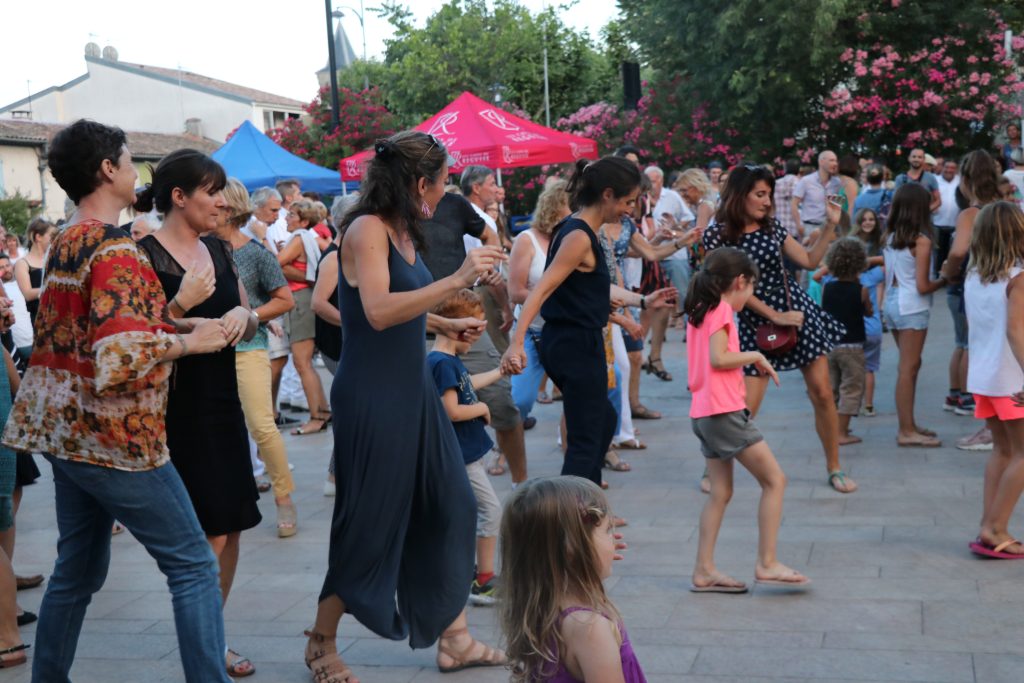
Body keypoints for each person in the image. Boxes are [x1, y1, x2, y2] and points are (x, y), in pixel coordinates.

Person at [1, 119, 233, 681]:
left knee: (77, 572)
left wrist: (175, 319)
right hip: (116, 438)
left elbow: (97, 334)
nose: (137, 173)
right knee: (195, 566)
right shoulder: (113, 248)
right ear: (107, 170)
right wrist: (197, 336)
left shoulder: (66, 241)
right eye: (131, 162)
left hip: (65, 433)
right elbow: (120, 353)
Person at [307, 131, 506, 680]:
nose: (445, 195)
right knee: (369, 525)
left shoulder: (402, 230)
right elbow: (374, 310)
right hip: (374, 394)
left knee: (454, 507)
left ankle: (456, 639)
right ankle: (321, 642)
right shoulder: (367, 229)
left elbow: (400, 307)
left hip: (412, 388)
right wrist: (458, 279)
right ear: (421, 182)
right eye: (442, 184)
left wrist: (443, 321)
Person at [136, 149, 263, 677]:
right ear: (179, 197)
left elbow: (248, 320)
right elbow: (135, 339)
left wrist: (243, 314)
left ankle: (214, 635)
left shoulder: (218, 246)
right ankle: (206, 649)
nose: (221, 201)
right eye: (211, 191)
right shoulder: (140, 253)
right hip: (174, 410)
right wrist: (182, 304)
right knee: (207, 534)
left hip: (221, 401)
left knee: (230, 527)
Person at [501, 157, 675, 486]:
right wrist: (515, 342)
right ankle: (579, 518)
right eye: (628, 201)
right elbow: (540, 292)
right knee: (586, 435)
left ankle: (587, 511)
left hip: (576, 340)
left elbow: (590, 288)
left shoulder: (581, 230)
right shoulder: (579, 236)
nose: (630, 210)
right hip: (573, 345)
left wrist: (641, 300)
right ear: (607, 194)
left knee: (604, 418)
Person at [703, 165, 857, 494]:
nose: (767, 201)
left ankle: (834, 466)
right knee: (743, 406)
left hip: (794, 315)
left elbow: (810, 260)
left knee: (823, 393)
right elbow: (726, 289)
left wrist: (831, 224)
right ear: (739, 195)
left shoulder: (772, 228)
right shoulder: (717, 235)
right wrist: (774, 314)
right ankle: (714, 468)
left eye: (769, 194)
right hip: (748, 321)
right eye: (760, 194)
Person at [683, 247, 809, 593]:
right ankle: (767, 562)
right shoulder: (721, 309)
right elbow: (719, 357)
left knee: (720, 492)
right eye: (751, 287)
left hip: (705, 411)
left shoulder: (700, 309)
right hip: (723, 412)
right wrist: (756, 355)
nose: (750, 295)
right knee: (775, 480)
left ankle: (704, 570)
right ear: (739, 281)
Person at [421, 178, 529, 484]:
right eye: (441, 178)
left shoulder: (455, 206)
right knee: (421, 414)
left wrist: (488, 265)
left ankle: (521, 488)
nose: (445, 183)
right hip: (416, 325)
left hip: (464, 321)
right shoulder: (392, 212)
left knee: (503, 406)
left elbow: (488, 233)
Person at [214, 178, 299, 539]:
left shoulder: (255, 253)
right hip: (207, 351)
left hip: (248, 349)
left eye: (216, 201)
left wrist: (252, 316)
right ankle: (231, 496)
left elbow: (285, 299)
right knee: (219, 429)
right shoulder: (196, 249)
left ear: (229, 208)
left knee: (261, 426)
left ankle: (284, 497)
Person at [499, 476, 647, 682]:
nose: (614, 540)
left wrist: (595, 558)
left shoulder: (542, 609)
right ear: (574, 550)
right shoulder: (590, 628)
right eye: (607, 531)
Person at [428, 289, 506, 606]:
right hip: (461, 456)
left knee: (467, 513)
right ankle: (484, 580)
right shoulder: (442, 364)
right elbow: (452, 410)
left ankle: (465, 571)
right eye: (473, 333)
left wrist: (500, 372)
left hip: (463, 454)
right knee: (491, 510)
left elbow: (466, 386)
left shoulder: (447, 360)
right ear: (457, 327)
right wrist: (483, 411)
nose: (474, 341)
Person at [962, 202, 1024, 558]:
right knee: (1022, 453)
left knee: (1002, 451)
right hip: (1012, 378)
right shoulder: (1018, 279)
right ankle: (996, 527)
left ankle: (989, 525)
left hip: (985, 376)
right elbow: (1016, 333)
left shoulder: (975, 277)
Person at [942, 150, 1005, 450]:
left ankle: (990, 429)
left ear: (966, 180)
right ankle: (999, 425)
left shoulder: (971, 213)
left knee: (978, 352)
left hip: (979, 290)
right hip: (1007, 289)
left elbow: (957, 252)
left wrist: (947, 272)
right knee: (1000, 353)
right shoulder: (1008, 209)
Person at [882, 183, 948, 448]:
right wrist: (944, 278)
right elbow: (923, 285)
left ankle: (909, 423)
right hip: (913, 306)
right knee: (908, 369)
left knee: (909, 366)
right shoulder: (921, 240)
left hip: (892, 302)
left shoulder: (890, 235)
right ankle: (906, 430)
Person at [507, 179, 570, 429]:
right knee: (520, 401)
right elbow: (515, 291)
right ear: (555, 207)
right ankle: (503, 450)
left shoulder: (572, 238)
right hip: (532, 333)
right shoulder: (527, 240)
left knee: (586, 394)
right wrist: (553, 297)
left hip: (565, 332)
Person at [276, 199, 331, 435]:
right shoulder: (304, 237)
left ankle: (316, 417)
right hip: (303, 300)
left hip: (300, 302)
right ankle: (322, 412)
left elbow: (275, 264)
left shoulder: (299, 237)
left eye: (291, 215)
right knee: (305, 363)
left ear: (304, 221)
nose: (286, 219)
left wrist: (279, 258)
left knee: (302, 362)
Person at [821, 238, 871, 445]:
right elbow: (868, 311)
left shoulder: (828, 288)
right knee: (851, 387)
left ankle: (831, 430)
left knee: (832, 388)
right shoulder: (861, 290)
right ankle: (842, 432)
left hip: (830, 345)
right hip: (852, 345)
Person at [849, 209, 885, 417]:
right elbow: (889, 266)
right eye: (865, 219)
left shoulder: (843, 278)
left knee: (854, 369)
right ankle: (868, 406)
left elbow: (819, 275)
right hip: (872, 324)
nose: (868, 222)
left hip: (853, 325)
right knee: (869, 368)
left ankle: (852, 406)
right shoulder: (872, 277)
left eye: (872, 219)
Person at [13, 218, 57, 328]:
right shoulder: (22, 263)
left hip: (59, 315)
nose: (55, 239)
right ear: (38, 237)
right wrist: (53, 286)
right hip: (40, 319)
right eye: (51, 236)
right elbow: (28, 294)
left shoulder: (54, 258)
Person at [791, 151, 842, 243]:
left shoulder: (837, 183)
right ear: (821, 162)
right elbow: (794, 204)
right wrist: (799, 225)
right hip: (809, 227)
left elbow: (837, 206)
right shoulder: (806, 181)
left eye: (836, 161)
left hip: (829, 228)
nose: (835, 164)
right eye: (831, 160)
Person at [772, 159, 802, 243]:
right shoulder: (802, 184)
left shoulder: (775, 184)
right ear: (799, 170)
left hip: (778, 228)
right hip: (797, 229)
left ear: (785, 169)